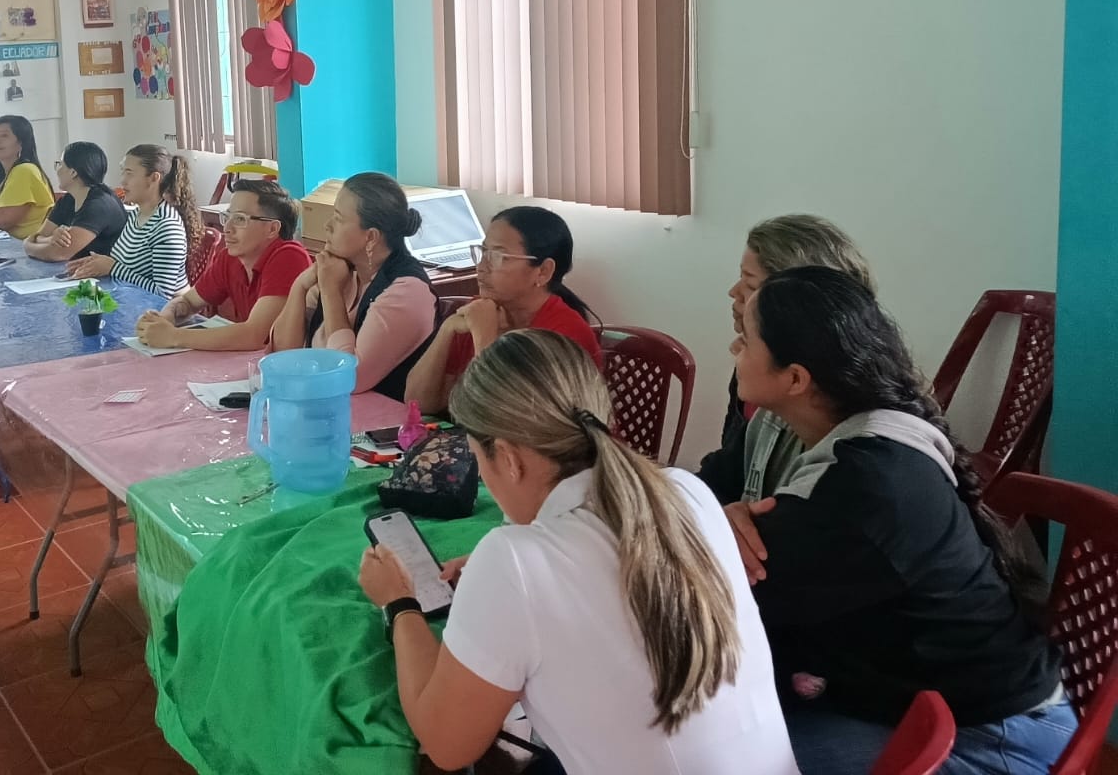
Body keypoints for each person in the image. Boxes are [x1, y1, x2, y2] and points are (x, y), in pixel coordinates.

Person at [359, 330, 798, 775]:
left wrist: (400, 603)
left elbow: (447, 744)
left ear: (508, 459)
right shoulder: (687, 491)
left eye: (479, 460)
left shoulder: (513, 562)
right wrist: (508, 583)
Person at [728, 267, 1070, 774]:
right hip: (929, 701)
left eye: (746, 340)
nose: (735, 349)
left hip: (991, 739)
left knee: (720, 754)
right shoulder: (866, 437)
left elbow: (729, 600)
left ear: (795, 378)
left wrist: (718, 526)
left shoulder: (863, 484)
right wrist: (724, 516)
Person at [696, 215, 874, 504]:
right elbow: (726, 474)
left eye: (750, 284)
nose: (734, 292)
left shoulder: (851, 452)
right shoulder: (756, 377)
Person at [404, 206, 603, 414]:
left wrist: (484, 336)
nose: (481, 267)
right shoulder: (480, 310)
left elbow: (504, 418)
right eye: (483, 252)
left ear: (543, 272)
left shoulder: (565, 333)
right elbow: (418, 404)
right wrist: (447, 330)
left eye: (498, 256)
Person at [270, 173, 436, 400]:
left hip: (384, 418)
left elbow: (348, 377)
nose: (327, 226)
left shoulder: (407, 292)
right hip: (327, 406)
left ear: (371, 237)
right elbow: (283, 354)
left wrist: (331, 291)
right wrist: (300, 286)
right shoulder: (342, 269)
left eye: (338, 219)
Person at [135, 180, 311, 352]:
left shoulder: (289, 256)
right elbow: (187, 301)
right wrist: (166, 318)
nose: (227, 228)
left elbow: (254, 335)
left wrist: (173, 336)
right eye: (227, 217)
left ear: (272, 229)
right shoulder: (231, 257)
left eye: (240, 219)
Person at [66, 144, 201, 296]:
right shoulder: (137, 213)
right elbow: (125, 266)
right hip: (131, 299)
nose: (123, 181)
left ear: (154, 178)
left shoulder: (167, 227)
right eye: (123, 171)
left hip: (164, 309)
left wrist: (112, 268)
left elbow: (162, 294)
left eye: (129, 173)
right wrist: (96, 264)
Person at [24, 141, 127, 262]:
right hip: (80, 267)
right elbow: (39, 235)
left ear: (73, 172)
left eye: (60, 164)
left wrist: (27, 246)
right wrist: (50, 239)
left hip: (108, 272)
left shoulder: (98, 206)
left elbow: (57, 254)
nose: (57, 170)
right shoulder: (68, 199)